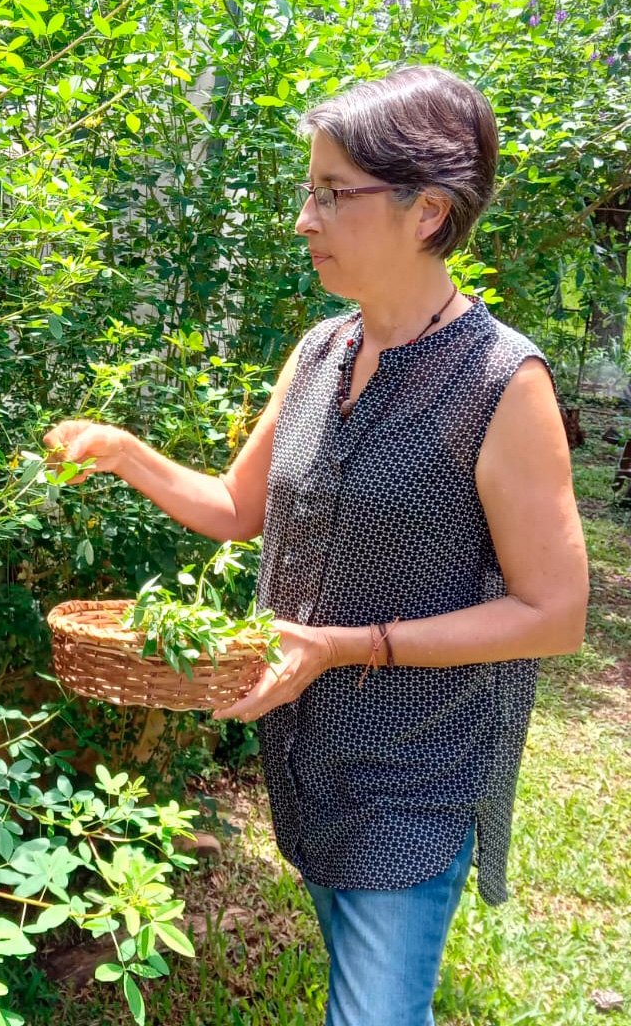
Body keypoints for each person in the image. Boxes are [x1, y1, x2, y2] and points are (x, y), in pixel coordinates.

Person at [42, 65, 589, 1026]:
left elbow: (554, 616)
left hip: (417, 766)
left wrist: (348, 644)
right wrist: (124, 453)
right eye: (309, 190)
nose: (305, 218)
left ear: (427, 211)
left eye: (333, 194)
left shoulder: (504, 384)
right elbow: (234, 507)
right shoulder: (320, 350)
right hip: (304, 749)